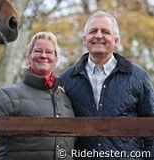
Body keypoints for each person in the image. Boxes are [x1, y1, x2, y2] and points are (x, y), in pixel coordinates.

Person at [0, 31, 75, 160]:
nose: (43, 55)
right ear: (28, 57)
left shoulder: (66, 100)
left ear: (55, 60)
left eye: (49, 52)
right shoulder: (7, 95)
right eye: (38, 51)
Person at [59, 10, 154, 159]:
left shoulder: (138, 77)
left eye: (105, 31)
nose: (98, 35)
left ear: (116, 40)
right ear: (84, 39)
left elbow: (151, 128)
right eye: (93, 31)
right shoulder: (67, 79)